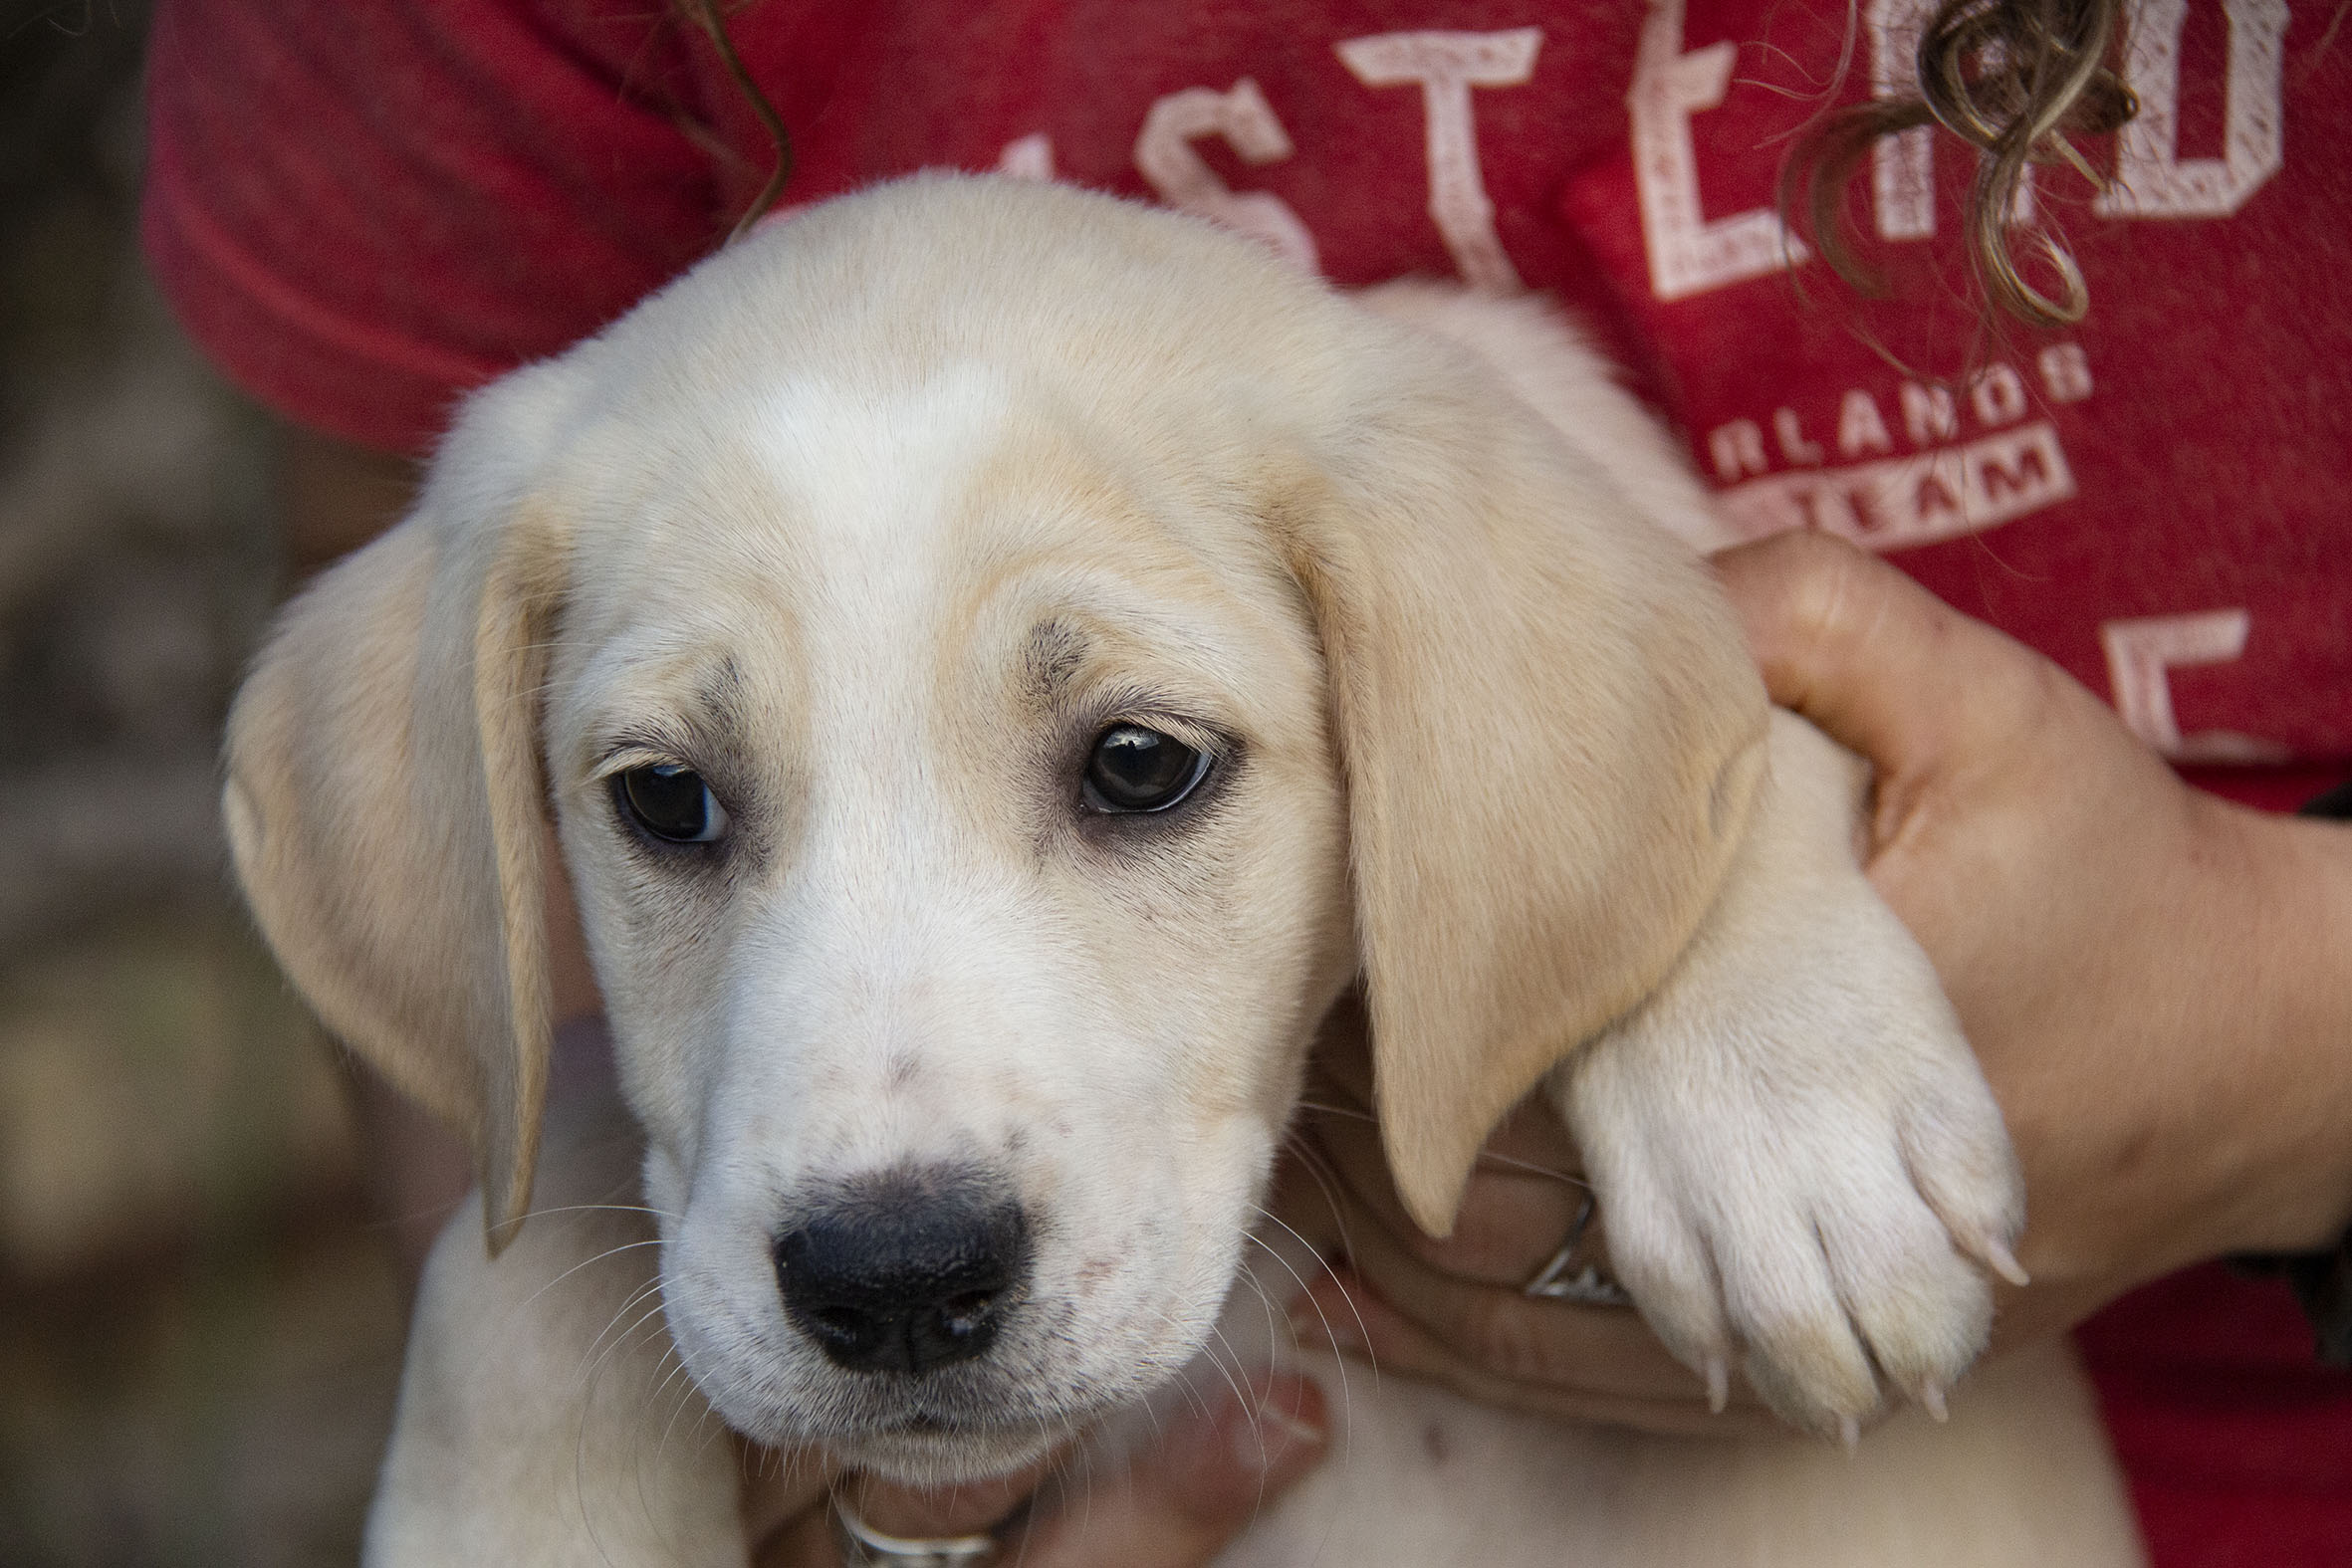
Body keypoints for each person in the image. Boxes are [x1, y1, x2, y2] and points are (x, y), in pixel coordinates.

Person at [142, 0, 2352, 1562]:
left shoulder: (1439, 519)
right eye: (671, 806)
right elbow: (439, 803)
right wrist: (541, 1325)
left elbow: (1673, 730)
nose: (880, 1183)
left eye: (1131, 767)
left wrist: (2245, 1029)